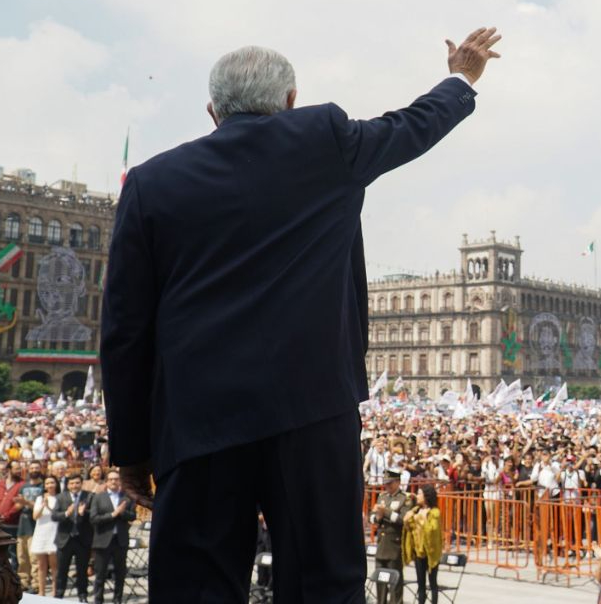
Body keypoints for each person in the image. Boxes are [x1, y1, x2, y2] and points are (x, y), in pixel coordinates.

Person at [100, 29, 500, 602]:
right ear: (291, 101)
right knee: (322, 583)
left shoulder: (150, 183)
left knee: (195, 586)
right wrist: (462, 74)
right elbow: (414, 125)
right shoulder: (326, 140)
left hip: (198, 423)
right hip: (312, 414)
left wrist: (131, 449)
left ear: (213, 112)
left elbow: (124, 329)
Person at [89, 469, 138, 604]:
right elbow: (93, 518)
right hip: (102, 541)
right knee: (100, 575)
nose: (113, 482)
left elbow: (133, 516)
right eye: (111, 479)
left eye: (116, 479)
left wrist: (122, 513)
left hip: (120, 541)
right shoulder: (98, 497)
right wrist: (113, 514)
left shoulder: (127, 497)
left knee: (120, 574)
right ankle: (98, 600)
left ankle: (118, 600)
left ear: (120, 481)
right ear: (106, 482)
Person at [372, 469, 412, 604]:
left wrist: (386, 512)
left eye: (390, 483)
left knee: (395, 582)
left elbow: (402, 520)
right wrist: (377, 517)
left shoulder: (404, 499)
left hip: (394, 545)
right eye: (386, 484)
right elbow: (373, 518)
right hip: (382, 544)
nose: (387, 486)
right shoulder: (382, 497)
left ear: (398, 482)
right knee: (381, 580)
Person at [52, 474, 94, 602]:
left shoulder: (90, 496)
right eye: (71, 483)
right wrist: (67, 513)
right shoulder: (61, 497)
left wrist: (84, 513)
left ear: (81, 483)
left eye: (77, 483)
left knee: (82, 571)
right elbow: (54, 516)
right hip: (65, 539)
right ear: (67, 485)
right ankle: (59, 596)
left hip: (83, 539)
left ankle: (82, 595)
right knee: (62, 571)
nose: (74, 486)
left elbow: (95, 514)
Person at [403, 485, 443, 604]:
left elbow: (432, 530)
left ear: (426, 497)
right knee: (421, 584)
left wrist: (420, 520)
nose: (417, 496)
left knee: (432, 583)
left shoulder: (434, 512)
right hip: (418, 551)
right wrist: (408, 519)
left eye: (420, 494)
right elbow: (409, 527)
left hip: (430, 552)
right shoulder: (416, 510)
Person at [0, 459, 26, 572]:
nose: (19, 471)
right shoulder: (0, 483)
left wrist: (5, 516)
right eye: (17, 468)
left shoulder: (22, 485)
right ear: (9, 470)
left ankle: (12, 577)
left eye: (20, 468)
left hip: (12, 526)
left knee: (13, 553)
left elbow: (18, 506)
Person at [16, 461, 46, 592]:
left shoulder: (44, 486)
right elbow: (18, 506)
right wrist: (19, 503)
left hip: (37, 525)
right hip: (22, 524)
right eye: (32, 467)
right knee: (21, 556)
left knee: (34, 558)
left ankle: (35, 583)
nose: (34, 470)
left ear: (40, 469)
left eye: (36, 467)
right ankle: (23, 581)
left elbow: (42, 507)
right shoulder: (23, 486)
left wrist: (26, 502)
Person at [31, 475, 61, 597]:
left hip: (55, 532)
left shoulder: (60, 498)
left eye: (52, 482)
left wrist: (49, 506)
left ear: (56, 484)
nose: (49, 485)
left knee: (54, 565)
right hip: (41, 532)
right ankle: (41, 591)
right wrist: (44, 504)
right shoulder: (39, 499)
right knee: (41, 565)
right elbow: (35, 516)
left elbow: (59, 515)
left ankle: (55, 591)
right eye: (47, 483)